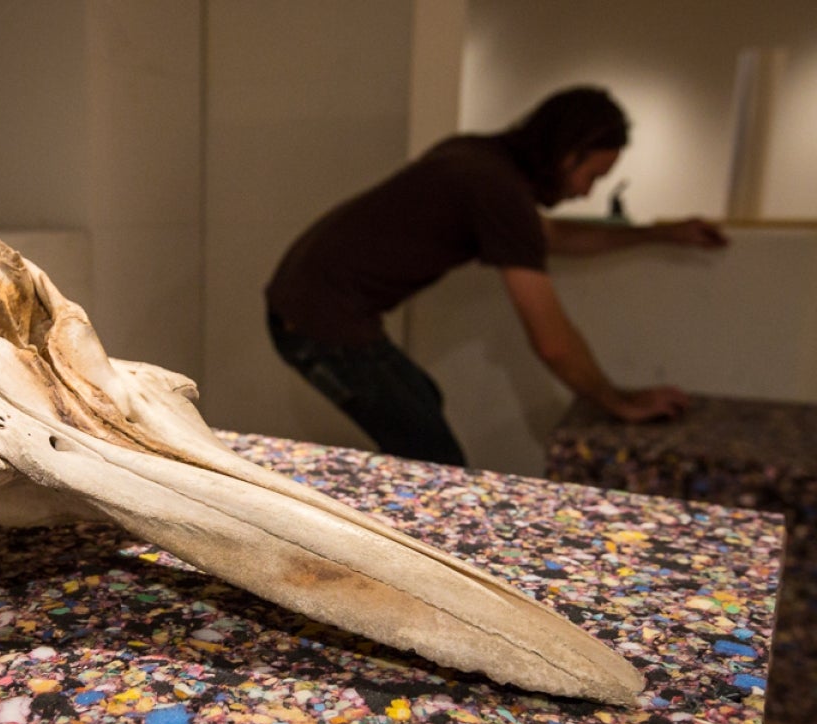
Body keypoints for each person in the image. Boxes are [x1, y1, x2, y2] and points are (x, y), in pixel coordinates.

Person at [265, 85, 727, 466]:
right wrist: (618, 401)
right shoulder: (496, 188)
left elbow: (553, 236)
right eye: (593, 174)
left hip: (311, 305)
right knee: (435, 464)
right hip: (318, 320)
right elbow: (552, 340)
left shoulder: (479, 158)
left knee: (423, 409)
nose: (589, 190)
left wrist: (658, 234)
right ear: (568, 154)